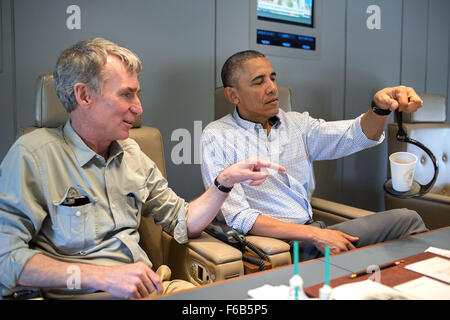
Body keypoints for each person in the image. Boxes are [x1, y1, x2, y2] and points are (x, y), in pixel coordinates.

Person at [0, 39, 285, 300]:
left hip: (150, 291)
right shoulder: (33, 155)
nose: (138, 108)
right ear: (84, 96)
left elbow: (183, 221)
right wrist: (103, 276)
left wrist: (224, 181)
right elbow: (5, 258)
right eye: (126, 95)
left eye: (138, 94)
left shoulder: (133, 154)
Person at [201, 50, 428, 261]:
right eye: (259, 82)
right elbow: (238, 216)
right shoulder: (217, 136)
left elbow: (356, 135)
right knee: (408, 220)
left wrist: (380, 108)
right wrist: (313, 235)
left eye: (272, 78)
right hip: (278, 246)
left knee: (401, 241)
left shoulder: (297, 124)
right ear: (233, 95)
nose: (272, 88)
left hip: (313, 232)